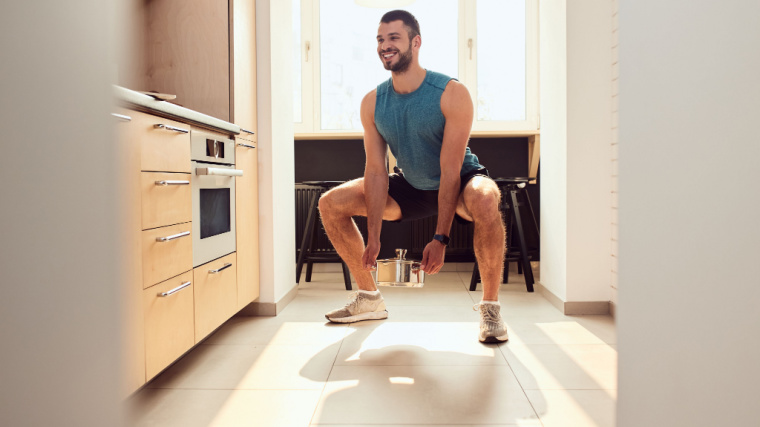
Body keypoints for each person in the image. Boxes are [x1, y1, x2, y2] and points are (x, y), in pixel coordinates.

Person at [318, 10, 508, 343]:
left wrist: (440, 238)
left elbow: (450, 170)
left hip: (460, 181)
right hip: (412, 186)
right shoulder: (373, 103)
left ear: (415, 42)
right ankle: (369, 298)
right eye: (380, 39)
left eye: (394, 38)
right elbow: (376, 172)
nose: (384, 46)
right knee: (330, 203)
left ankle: (490, 309)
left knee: (486, 197)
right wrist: (374, 236)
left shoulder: (450, 92)